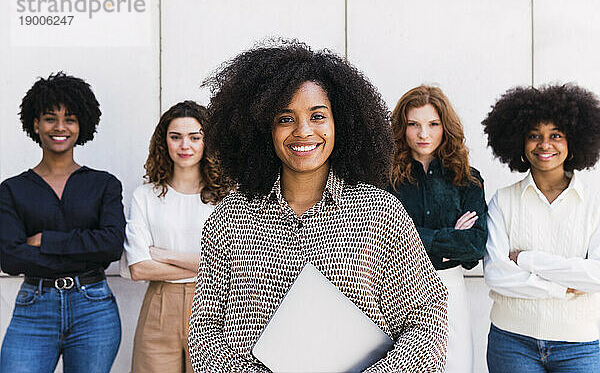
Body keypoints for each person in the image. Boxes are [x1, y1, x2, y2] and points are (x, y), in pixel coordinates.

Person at [188, 40, 448, 372]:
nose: (303, 131)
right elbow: (204, 333)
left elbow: (427, 320)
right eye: (285, 118)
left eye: (317, 116)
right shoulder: (229, 219)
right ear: (262, 128)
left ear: (341, 123)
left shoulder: (381, 214)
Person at [0, 72, 125, 373]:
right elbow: (9, 257)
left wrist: (45, 241)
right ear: (35, 123)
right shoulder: (11, 189)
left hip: (93, 309)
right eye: (49, 118)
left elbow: (110, 246)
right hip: (34, 307)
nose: (60, 127)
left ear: (82, 124)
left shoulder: (104, 184)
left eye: (69, 118)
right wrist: (81, 251)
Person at [482, 84, 600, 372]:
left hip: (580, 344)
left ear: (573, 142)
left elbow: (596, 276)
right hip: (512, 341)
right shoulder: (503, 200)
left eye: (555, 135)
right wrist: (563, 288)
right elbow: (496, 274)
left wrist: (526, 259)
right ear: (519, 143)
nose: (544, 145)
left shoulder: (595, 203)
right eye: (535, 135)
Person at [124, 101, 232, 373]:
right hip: (160, 305)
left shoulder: (229, 198)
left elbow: (235, 265)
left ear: (208, 141)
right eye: (176, 137)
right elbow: (139, 268)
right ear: (165, 141)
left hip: (215, 308)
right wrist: (206, 264)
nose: (185, 146)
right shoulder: (145, 196)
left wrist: (165, 254)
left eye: (195, 137)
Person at [386, 85, 487, 373]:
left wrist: (412, 234)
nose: (423, 134)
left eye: (433, 124)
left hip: (450, 286)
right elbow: (383, 238)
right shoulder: (385, 178)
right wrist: (449, 236)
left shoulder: (467, 179)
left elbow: (474, 246)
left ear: (446, 127)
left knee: (456, 365)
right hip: (399, 287)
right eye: (413, 125)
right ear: (402, 129)